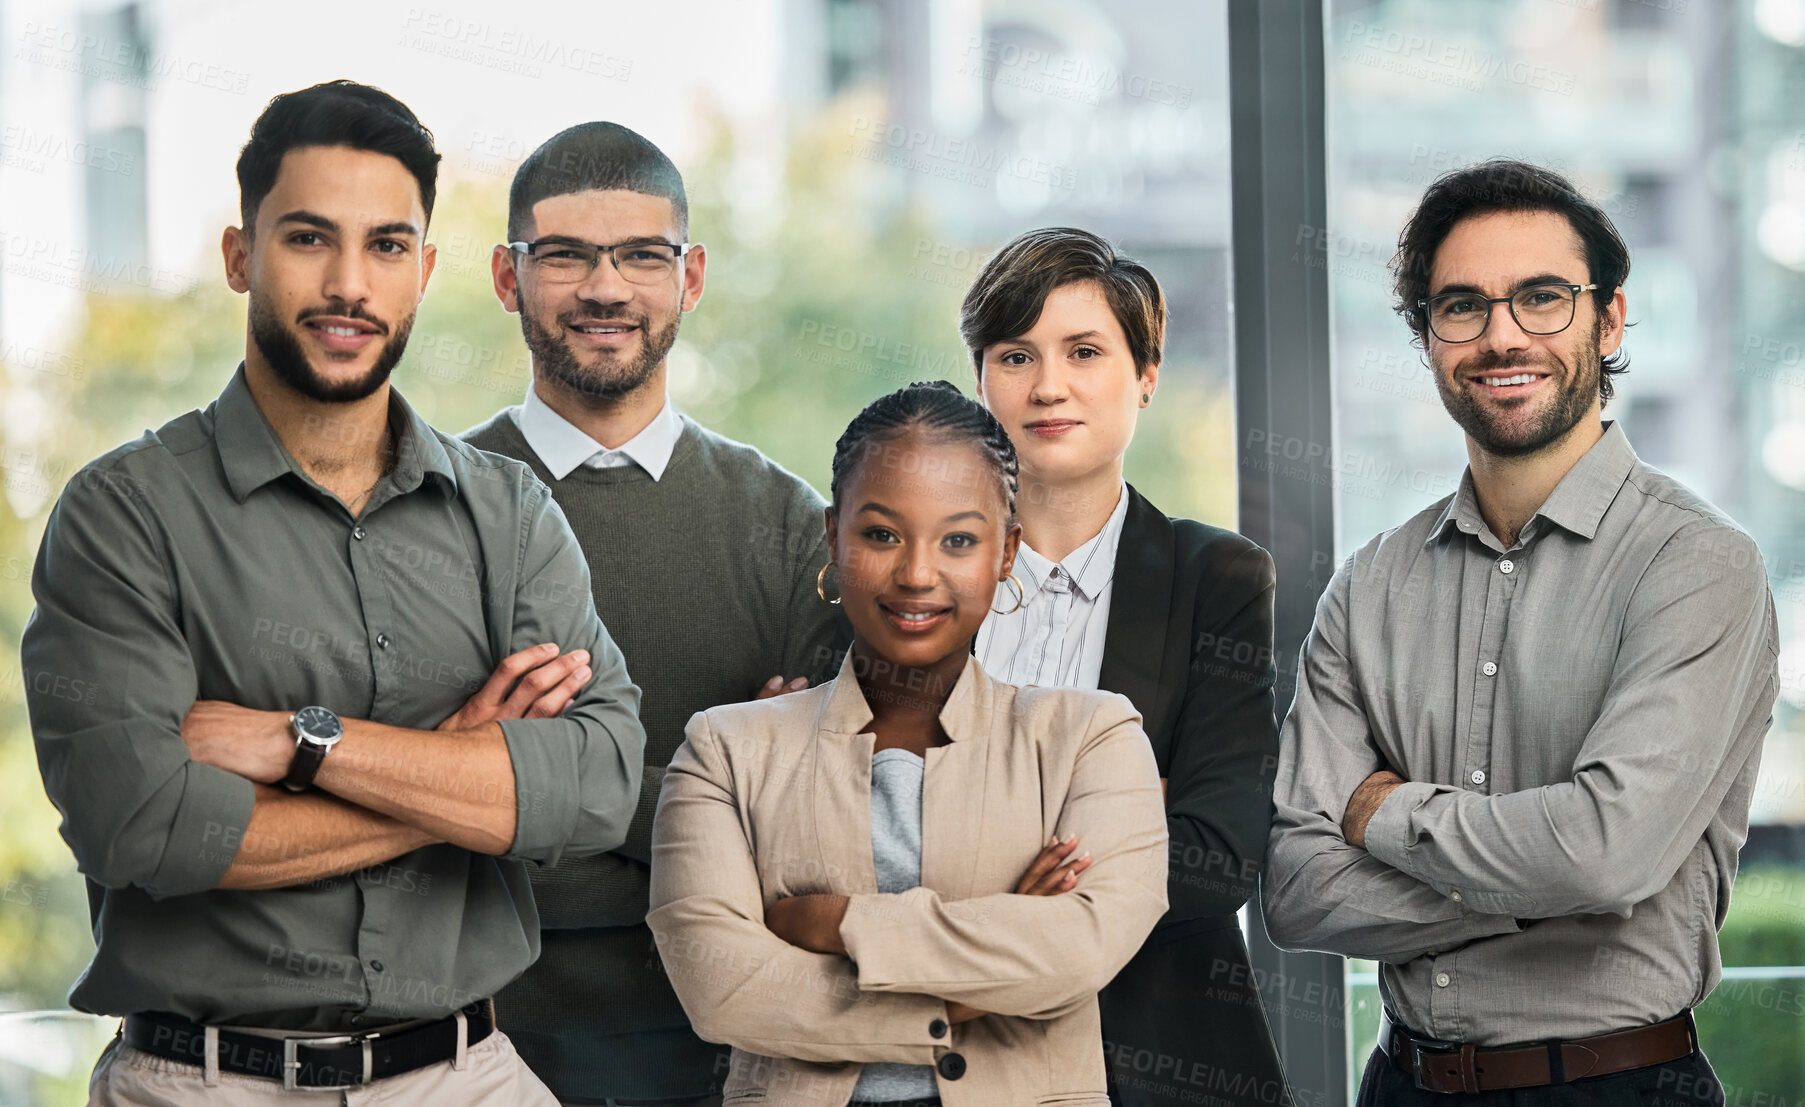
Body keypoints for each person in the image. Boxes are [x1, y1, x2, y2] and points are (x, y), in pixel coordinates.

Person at [20, 81, 646, 1104]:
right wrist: (468, 781)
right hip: (203, 1081)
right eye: (309, 238)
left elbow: (595, 784)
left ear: (426, 270)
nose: (350, 283)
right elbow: (146, 826)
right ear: (239, 256)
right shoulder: (123, 515)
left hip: (465, 1078)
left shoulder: (508, 513)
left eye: (388, 246)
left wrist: (301, 744)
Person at [1262, 160, 1779, 1105]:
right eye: (1460, 306)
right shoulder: (1367, 585)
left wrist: (1383, 816)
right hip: (1399, 1084)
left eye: (1541, 297)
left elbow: (1605, 853)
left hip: (1617, 1087)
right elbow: (1295, 889)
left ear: (1609, 319)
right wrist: (1549, 890)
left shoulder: (1697, 566)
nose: (1501, 335)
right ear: (1426, 338)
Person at [647, 381, 1170, 1105]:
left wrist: (838, 922)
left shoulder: (1093, 737)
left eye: (958, 539)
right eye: (881, 534)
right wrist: (973, 988)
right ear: (832, 537)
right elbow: (724, 989)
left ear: (1006, 551)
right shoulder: (724, 748)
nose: (917, 574)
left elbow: (1080, 950)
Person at [460, 121, 844, 1106]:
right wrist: (721, 782)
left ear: (692, 275)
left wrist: (541, 772)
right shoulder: (429, 508)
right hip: (473, 1039)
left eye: (640, 255)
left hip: (729, 1040)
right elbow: (416, 788)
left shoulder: (791, 526)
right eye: (565, 257)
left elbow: (820, 822)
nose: (604, 289)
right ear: (508, 278)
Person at [960, 227, 1291, 1107]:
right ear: (980, 380)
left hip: (1153, 1060)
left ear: (1145, 375)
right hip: (942, 1058)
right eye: (1015, 354)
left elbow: (1216, 854)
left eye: (1083, 351)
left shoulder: (1212, 576)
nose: (1047, 386)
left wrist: (965, 879)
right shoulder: (916, 575)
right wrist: (1123, 821)